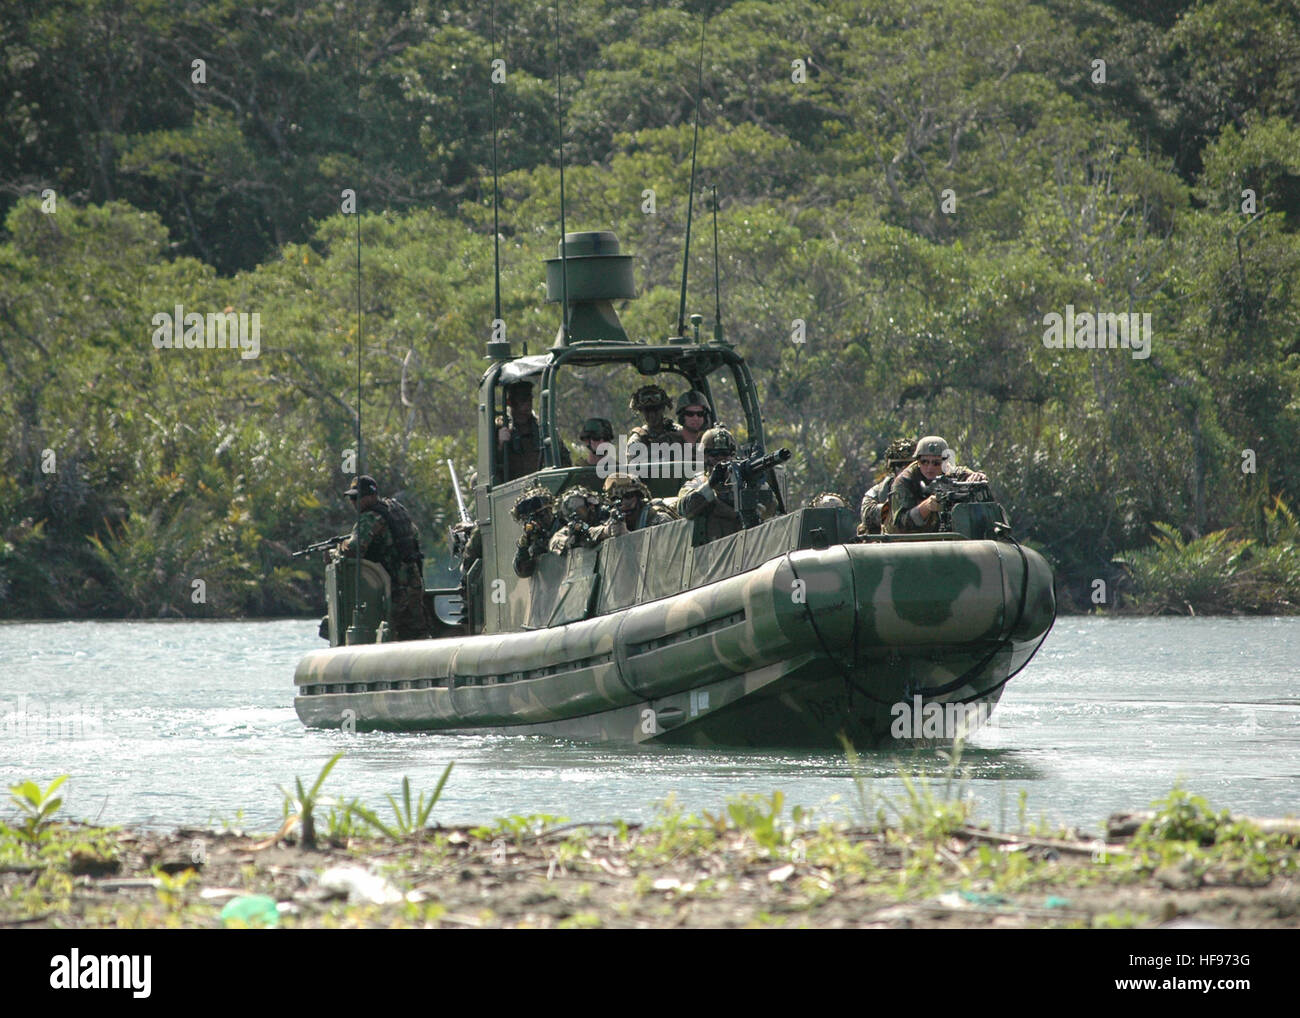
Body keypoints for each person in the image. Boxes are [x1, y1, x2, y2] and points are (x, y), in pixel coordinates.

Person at [333, 474, 429, 640]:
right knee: (416, 633)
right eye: (351, 498)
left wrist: (334, 552)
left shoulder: (369, 518)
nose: (353, 502)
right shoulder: (394, 510)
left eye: (357, 498)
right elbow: (415, 535)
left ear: (371, 496)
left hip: (392, 589)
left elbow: (353, 549)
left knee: (392, 635)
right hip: (413, 583)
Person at [677, 426, 775, 542]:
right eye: (714, 455)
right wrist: (710, 485)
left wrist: (755, 483)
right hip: (711, 552)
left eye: (725, 454)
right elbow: (684, 509)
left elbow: (771, 510)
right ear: (704, 457)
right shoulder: (697, 484)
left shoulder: (744, 483)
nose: (720, 459)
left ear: (733, 455)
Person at [887, 436, 989, 534]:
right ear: (917, 461)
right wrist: (925, 507)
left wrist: (977, 476)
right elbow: (900, 526)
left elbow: (968, 474)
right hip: (908, 543)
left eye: (936, 463)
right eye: (924, 462)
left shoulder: (950, 472)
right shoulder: (904, 481)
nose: (930, 468)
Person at [496, 381, 571, 481]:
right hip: (511, 490)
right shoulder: (499, 428)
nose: (527, 405)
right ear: (510, 402)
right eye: (522, 400)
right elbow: (491, 468)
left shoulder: (543, 428)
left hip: (542, 488)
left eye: (529, 400)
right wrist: (500, 445)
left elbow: (564, 460)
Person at [590, 473, 674, 540]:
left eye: (628, 496)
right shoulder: (615, 518)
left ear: (638, 497)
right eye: (616, 498)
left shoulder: (658, 519)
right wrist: (606, 532)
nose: (623, 503)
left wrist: (628, 536)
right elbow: (586, 537)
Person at [859, 438, 916, 535]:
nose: (904, 469)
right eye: (899, 465)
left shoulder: (927, 486)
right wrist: (893, 506)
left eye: (908, 465)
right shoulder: (878, 492)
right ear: (892, 468)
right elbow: (867, 515)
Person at [511, 486, 561, 577]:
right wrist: (524, 547)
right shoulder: (532, 539)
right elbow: (522, 571)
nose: (537, 521)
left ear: (550, 510)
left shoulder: (562, 526)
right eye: (527, 519)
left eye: (541, 515)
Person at [627, 384, 686, 457]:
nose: (652, 415)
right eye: (647, 411)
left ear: (663, 409)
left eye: (655, 409)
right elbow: (633, 467)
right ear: (641, 411)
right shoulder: (637, 441)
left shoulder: (679, 432)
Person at [549, 486, 608, 554]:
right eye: (567, 511)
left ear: (591, 506)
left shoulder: (605, 517)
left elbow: (614, 529)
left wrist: (596, 533)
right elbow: (554, 542)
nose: (573, 513)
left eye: (577, 507)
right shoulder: (570, 530)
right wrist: (570, 541)